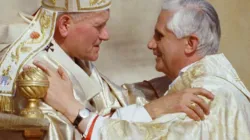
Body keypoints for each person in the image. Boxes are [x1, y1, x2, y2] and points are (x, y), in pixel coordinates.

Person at [34, 0, 250, 139]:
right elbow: (123, 98)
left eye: (160, 36)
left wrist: (73, 109)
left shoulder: (208, 97)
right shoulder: (205, 83)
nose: (151, 44)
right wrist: (159, 106)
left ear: (190, 44)